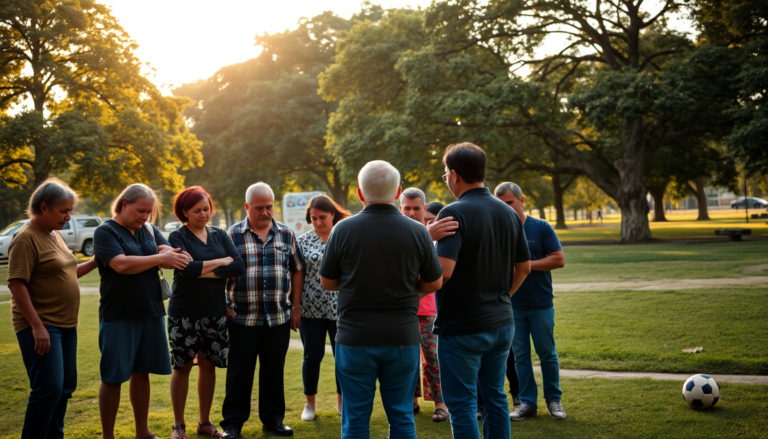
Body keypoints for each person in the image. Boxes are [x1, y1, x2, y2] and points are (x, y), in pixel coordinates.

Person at [320, 161, 443, 439]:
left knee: (355, 420)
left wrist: (355, 282)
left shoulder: (342, 230)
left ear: (360, 193)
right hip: (401, 335)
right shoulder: (417, 231)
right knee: (401, 418)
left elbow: (328, 282)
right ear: (398, 192)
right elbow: (435, 281)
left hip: (355, 337)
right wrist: (410, 289)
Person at [434, 143, 531, 439]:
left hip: (462, 326)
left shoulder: (453, 212)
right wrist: (502, 297)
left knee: (462, 405)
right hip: (502, 322)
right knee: (496, 398)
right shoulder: (508, 212)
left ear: (454, 175)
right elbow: (524, 267)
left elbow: (443, 271)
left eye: (444, 175)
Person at [94, 183, 191, 439]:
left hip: (150, 311)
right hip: (118, 315)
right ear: (124, 204)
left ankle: (142, 433)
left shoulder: (148, 229)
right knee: (113, 377)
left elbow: (166, 248)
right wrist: (161, 258)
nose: (145, 217)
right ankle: (108, 437)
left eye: (148, 212)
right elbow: (121, 264)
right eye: (140, 210)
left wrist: (168, 252)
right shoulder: (105, 232)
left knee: (142, 372)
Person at [6, 178, 98, 439]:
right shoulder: (25, 238)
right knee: (48, 388)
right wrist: (37, 326)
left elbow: (66, 273)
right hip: (42, 326)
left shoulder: (54, 234)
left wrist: (95, 262)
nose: (68, 217)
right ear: (43, 207)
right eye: (63, 211)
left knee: (65, 388)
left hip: (67, 325)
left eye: (70, 210)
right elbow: (16, 283)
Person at [220, 182, 304, 438]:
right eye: (259, 207)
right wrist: (222, 304)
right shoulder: (230, 236)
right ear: (247, 207)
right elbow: (217, 272)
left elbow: (297, 269)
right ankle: (233, 424)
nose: (265, 212)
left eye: (269, 206)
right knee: (239, 373)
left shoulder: (287, 234)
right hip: (242, 318)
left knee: (273, 372)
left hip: (277, 318)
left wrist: (296, 306)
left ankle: (273, 420)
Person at [167, 186, 245, 439]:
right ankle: (179, 425)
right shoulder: (177, 237)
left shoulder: (220, 234)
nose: (203, 214)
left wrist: (202, 269)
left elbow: (239, 265)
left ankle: (204, 422)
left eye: (206, 209)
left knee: (209, 365)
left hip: (214, 311)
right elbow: (186, 270)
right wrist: (221, 263)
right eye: (197, 210)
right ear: (184, 212)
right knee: (183, 366)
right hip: (184, 312)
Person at [495, 182, 567, 421]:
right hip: (512, 305)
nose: (506, 208)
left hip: (540, 303)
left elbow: (558, 260)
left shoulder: (540, 227)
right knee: (521, 356)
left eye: (510, 203)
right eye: (501, 204)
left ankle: (554, 400)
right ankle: (528, 404)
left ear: (521, 200)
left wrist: (525, 266)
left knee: (547, 354)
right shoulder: (498, 230)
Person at [297, 195, 350, 421]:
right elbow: (298, 276)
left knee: (343, 357)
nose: (318, 222)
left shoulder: (345, 235)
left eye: (322, 217)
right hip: (311, 309)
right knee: (312, 356)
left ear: (333, 215)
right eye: (313, 218)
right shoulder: (302, 241)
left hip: (342, 309)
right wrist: (296, 306)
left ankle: (341, 401)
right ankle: (310, 404)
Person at [398, 188, 449, 423]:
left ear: (424, 208)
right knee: (406, 359)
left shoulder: (433, 235)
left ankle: (440, 403)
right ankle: (412, 400)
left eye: (416, 208)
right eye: (407, 208)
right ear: (400, 208)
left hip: (429, 308)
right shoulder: (397, 233)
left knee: (433, 358)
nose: (411, 212)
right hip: (404, 309)